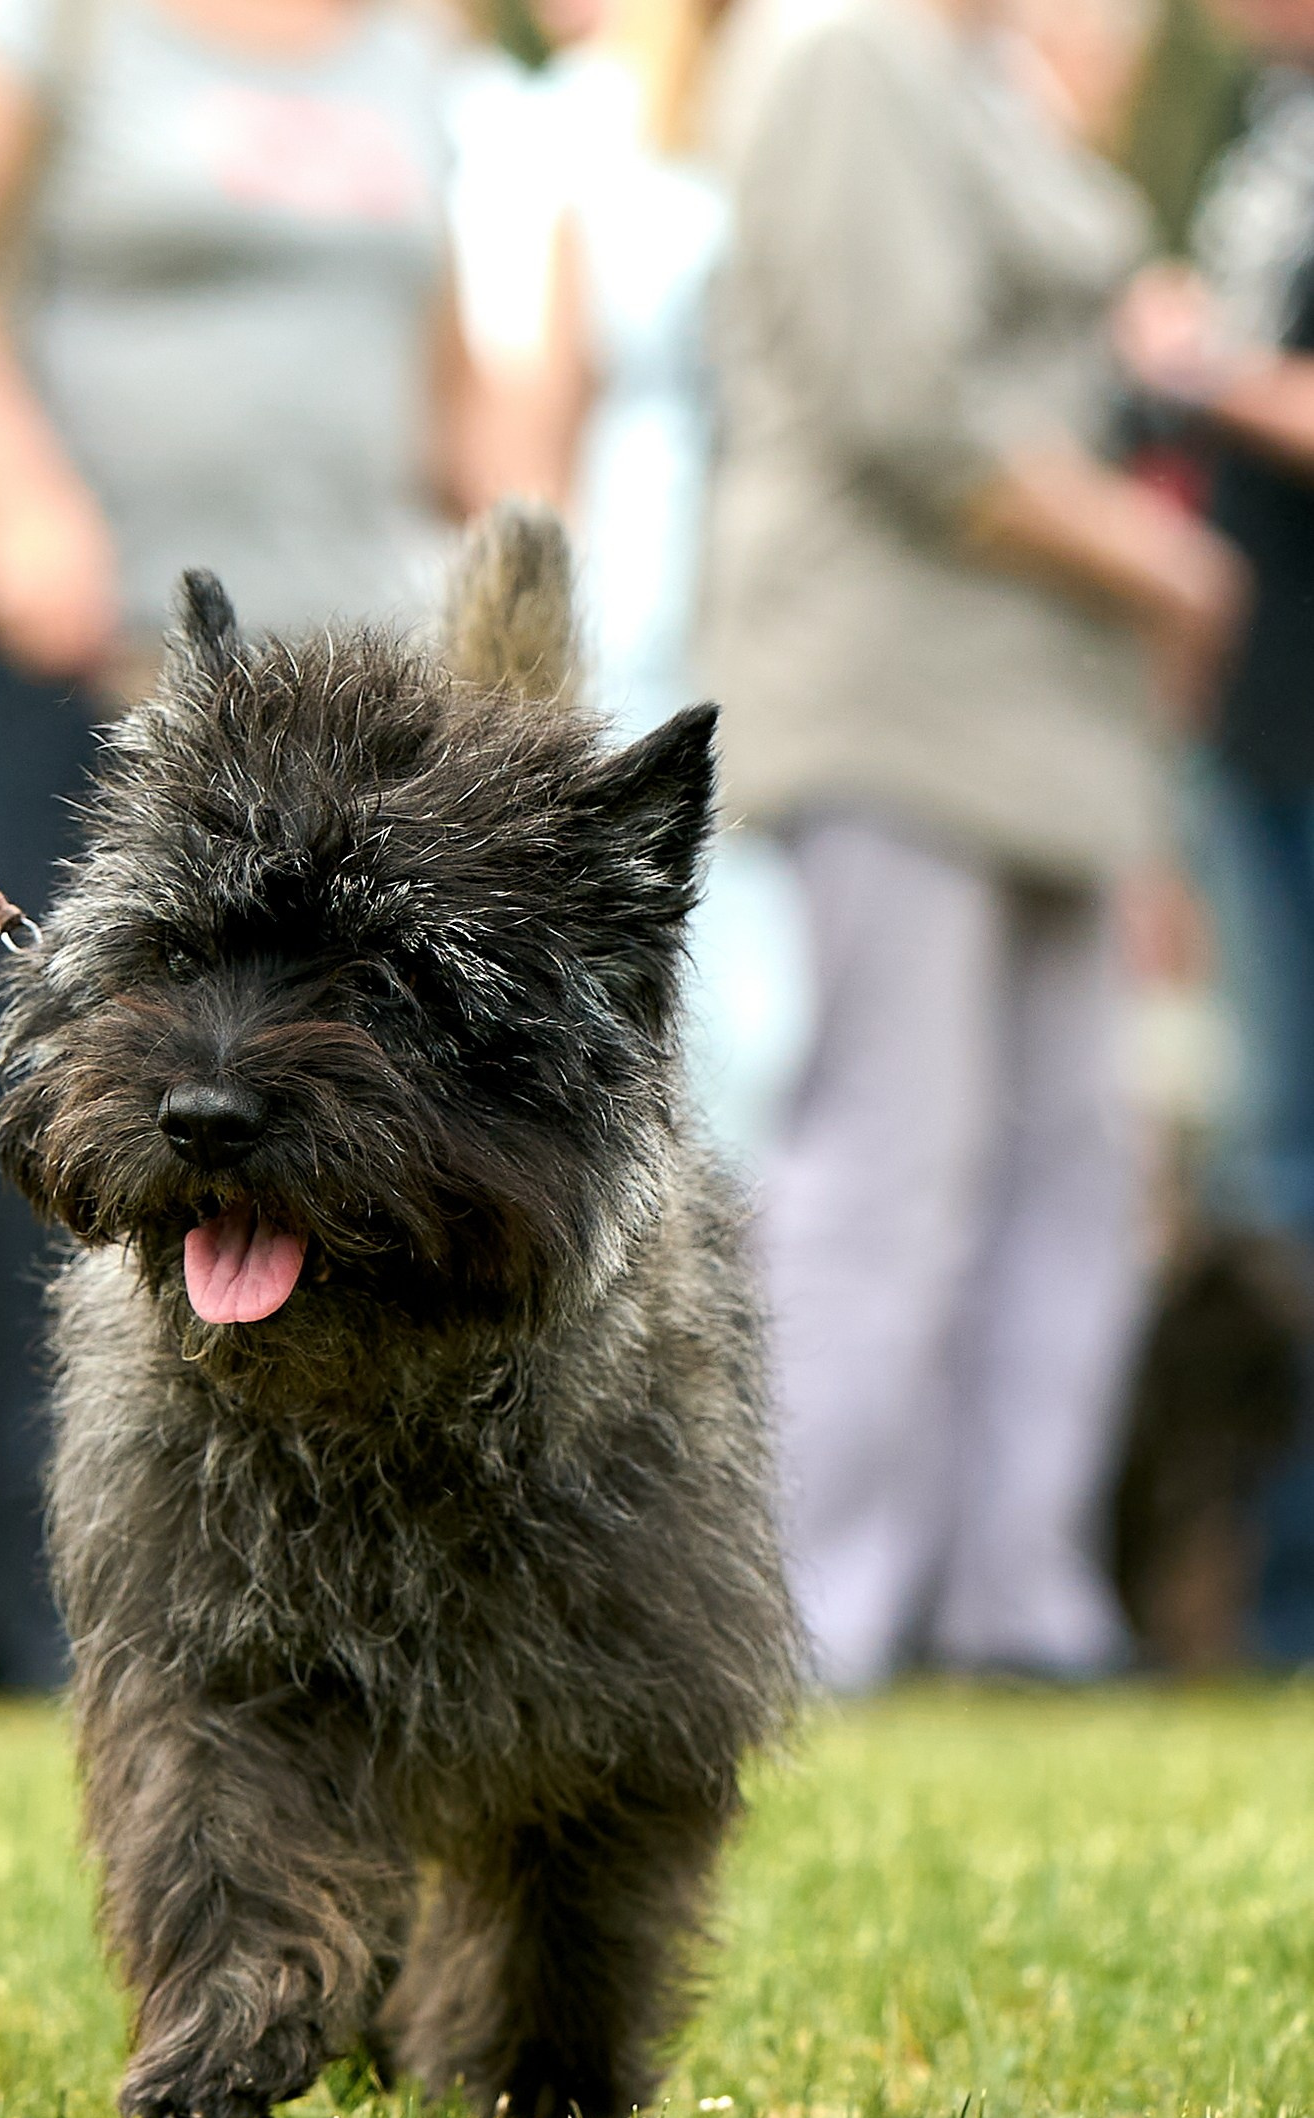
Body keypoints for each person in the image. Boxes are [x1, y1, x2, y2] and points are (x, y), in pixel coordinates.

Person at [0, 0, 484, 1684]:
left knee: (350, 1162)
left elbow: (452, 379)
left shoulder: (411, 41)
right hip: (104, 671)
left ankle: (335, 1618)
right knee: (78, 1138)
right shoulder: (40, 21)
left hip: (356, 731)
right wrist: (6, 490)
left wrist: (510, 584)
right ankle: (52, 1605)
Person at [699, 0, 1247, 1691]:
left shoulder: (985, 74)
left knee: (1073, 1160)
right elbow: (909, 408)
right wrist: (1165, 568)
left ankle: (1024, 1603)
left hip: (1053, 722)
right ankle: (815, 1611)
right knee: (893, 1154)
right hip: (891, 688)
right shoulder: (841, 50)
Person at [464, 0, 814, 1162]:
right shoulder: (577, 120)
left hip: (774, 582)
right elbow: (538, 408)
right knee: (696, 971)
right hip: (636, 565)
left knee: (776, 1009)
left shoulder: (801, 74)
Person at [1120, 0, 1314, 1656]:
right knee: (1266, 1172)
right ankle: (1261, 1604)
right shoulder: (1267, 119)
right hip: (1254, 731)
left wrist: (1204, 369)